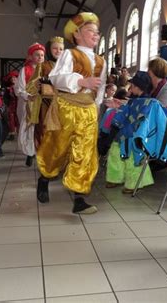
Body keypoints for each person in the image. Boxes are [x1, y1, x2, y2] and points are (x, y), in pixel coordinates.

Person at [36, 12, 107, 214]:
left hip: (88, 111)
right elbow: (55, 77)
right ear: (77, 34)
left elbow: (99, 89)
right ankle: (45, 177)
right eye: (90, 31)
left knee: (85, 154)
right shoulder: (69, 54)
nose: (95, 35)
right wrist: (81, 81)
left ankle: (79, 198)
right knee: (58, 148)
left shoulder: (102, 61)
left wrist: (98, 105)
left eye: (97, 32)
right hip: (67, 108)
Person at [99, 71, 167, 194]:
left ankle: (135, 182)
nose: (130, 88)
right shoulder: (134, 101)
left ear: (138, 87)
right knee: (115, 148)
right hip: (129, 132)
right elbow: (127, 114)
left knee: (133, 152)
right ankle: (115, 178)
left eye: (132, 86)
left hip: (141, 136)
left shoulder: (150, 102)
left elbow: (151, 121)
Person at [26, 36, 65, 149]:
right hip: (45, 106)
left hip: (63, 106)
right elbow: (29, 87)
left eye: (61, 49)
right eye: (55, 48)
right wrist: (36, 84)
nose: (58, 51)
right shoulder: (42, 66)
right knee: (45, 135)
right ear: (49, 49)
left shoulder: (68, 67)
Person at [15, 43, 46, 166]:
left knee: (42, 128)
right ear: (31, 56)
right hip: (29, 103)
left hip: (43, 104)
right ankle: (30, 153)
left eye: (42, 55)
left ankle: (41, 152)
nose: (40, 57)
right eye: (37, 55)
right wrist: (28, 96)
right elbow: (19, 88)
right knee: (30, 129)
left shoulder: (46, 70)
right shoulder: (25, 70)